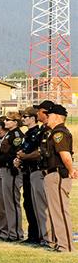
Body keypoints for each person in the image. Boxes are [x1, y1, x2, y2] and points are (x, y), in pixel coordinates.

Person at [41, 104, 76, 252]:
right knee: (55, 211)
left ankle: (66, 246)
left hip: (58, 174)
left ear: (56, 116)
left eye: (49, 115)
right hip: (52, 174)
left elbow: (64, 154)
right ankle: (60, 244)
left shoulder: (59, 132)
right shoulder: (53, 132)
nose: (46, 118)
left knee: (61, 210)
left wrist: (70, 170)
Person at [0, 112, 24, 241]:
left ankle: (15, 233)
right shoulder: (8, 134)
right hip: (4, 170)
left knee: (12, 202)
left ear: (16, 122)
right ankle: (9, 231)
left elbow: (14, 153)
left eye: (9, 120)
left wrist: (0, 160)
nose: (5, 122)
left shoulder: (16, 135)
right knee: (7, 202)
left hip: (11, 171)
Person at [13, 107, 41, 244]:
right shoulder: (28, 133)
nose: (23, 119)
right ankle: (32, 235)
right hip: (26, 171)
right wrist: (19, 159)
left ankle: (36, 235)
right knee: (28, 204)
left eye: (25, 116)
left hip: (33, 171)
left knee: (34, 204)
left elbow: (36, 152)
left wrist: (24, 157)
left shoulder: (37, 133)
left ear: (33, 118)